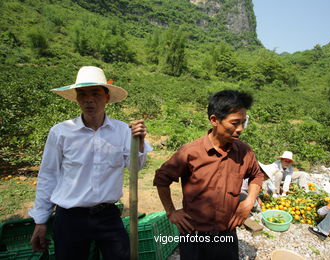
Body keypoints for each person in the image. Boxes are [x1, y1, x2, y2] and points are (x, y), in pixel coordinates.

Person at [28, 66, 152, 260]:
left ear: (107, 97)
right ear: (77, 98)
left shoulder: (122, 131)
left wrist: (140, 142)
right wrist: (41, 221)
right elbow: (48, 175)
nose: (89, 99)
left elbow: (135, 167)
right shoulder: (61, 132)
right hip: (70, 217)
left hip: (108, 216)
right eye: (82, 94)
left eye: (95, 93)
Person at [153, 90, 264, 260]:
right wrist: (171, 212)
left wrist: (249, 202)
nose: (240, 129)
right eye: (235, 123)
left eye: (243, 122)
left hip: (226, 233)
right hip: (193, 233)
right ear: (214, 120)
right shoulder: (191, 152)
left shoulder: (244, 151)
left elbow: (257, 175)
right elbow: (162, 179)